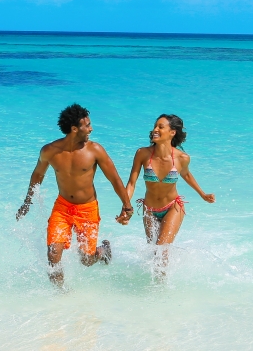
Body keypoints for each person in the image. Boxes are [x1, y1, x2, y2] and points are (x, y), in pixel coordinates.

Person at [16, 103, 134, 287]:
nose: (91, 128)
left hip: (87, 208)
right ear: (74, 129)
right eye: (87, 125)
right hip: (62, 208)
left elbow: (115, 179)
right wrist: (27, 202)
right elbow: (38, 174)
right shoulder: (50, 151)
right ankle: (62, 297)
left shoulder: (95, 150)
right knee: (53, 255)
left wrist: (127, 206)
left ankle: (103, 250)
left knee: (86, 260)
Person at [126, 114, 215, 274]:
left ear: (172, 132)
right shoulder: (143, 153)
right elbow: (131, 183)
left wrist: (202, 194)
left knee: (161, 250)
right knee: (154, 251)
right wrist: (125, 205)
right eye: (155, 126)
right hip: (149, 209)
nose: (155, 129)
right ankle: (155, 284)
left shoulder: (182, 158)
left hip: (172, 207)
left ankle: (161, 288)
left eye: (161, 127)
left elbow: (186, 174)